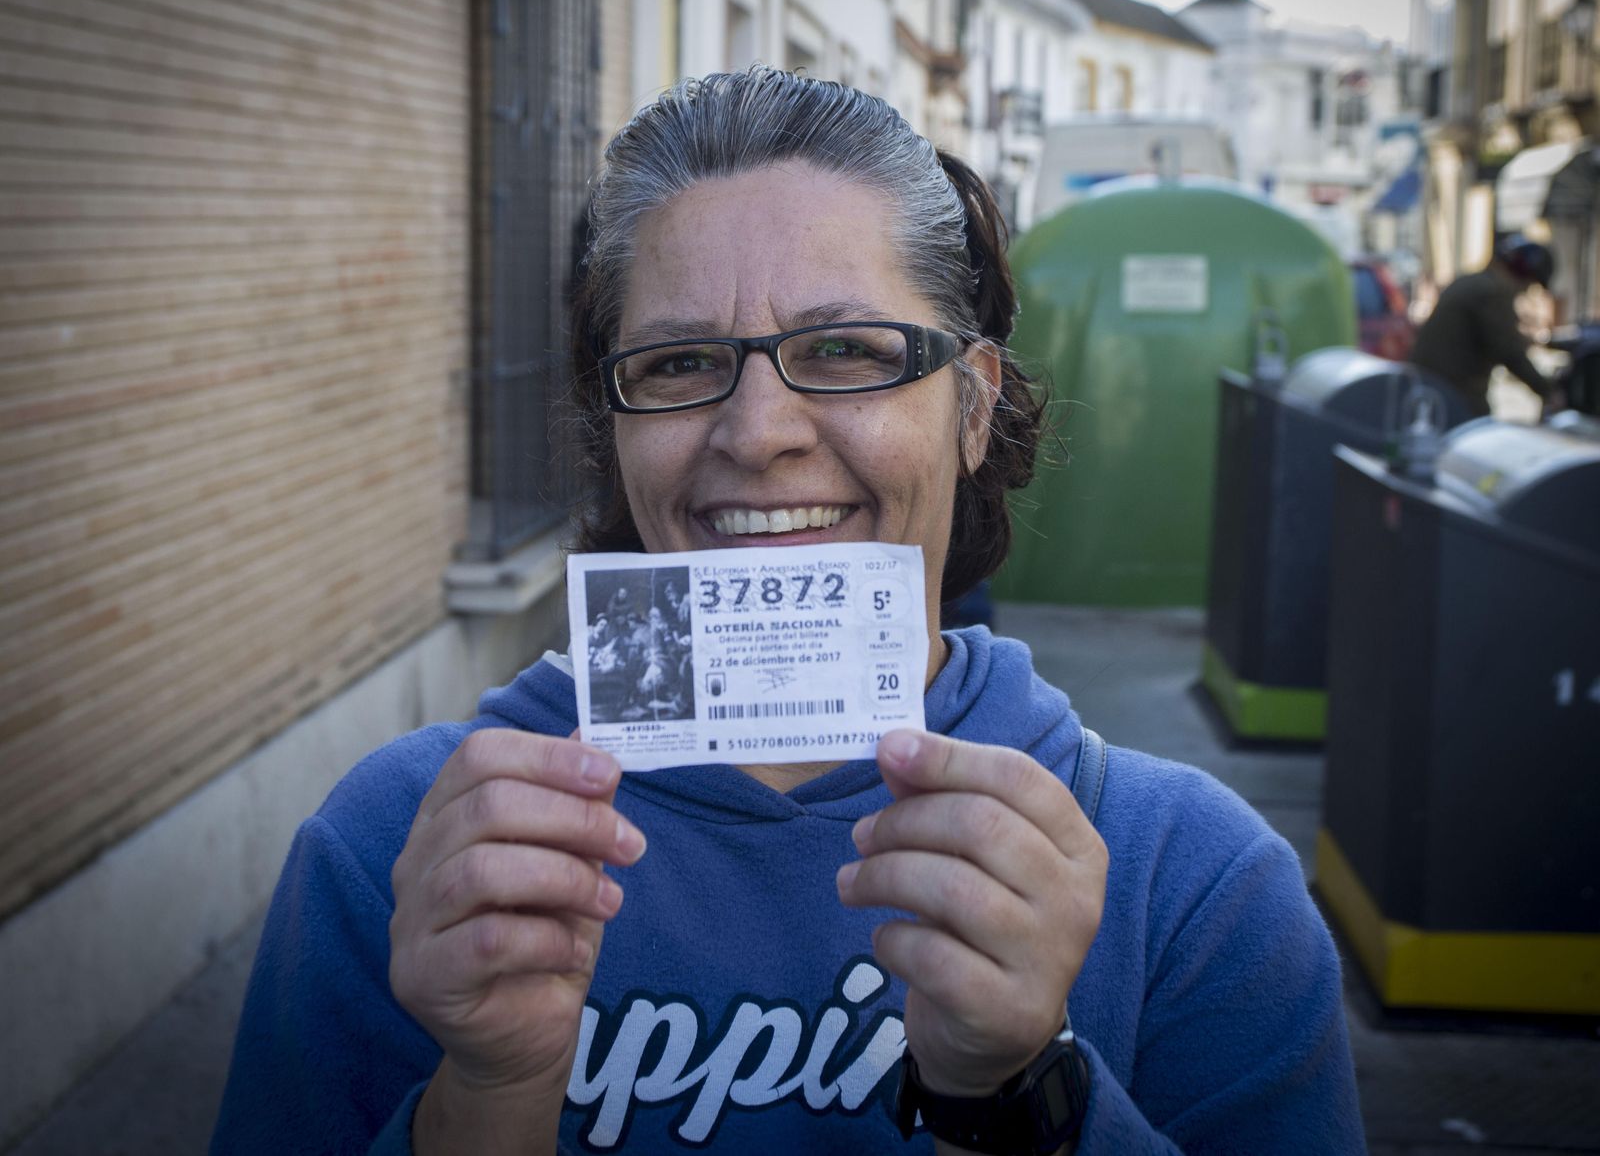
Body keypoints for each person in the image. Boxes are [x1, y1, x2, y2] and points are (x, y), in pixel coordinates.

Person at [210, 68, 1363, 1154]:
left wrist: (1020, 1094)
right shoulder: (403, 847)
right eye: (674, 364)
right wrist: (485, 1097)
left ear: (973, 406)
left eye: (846, 350)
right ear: (613, 420)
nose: (758, 433)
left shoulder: (1198, 886)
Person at [1409, 234, 1560, 417]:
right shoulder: (1492, 291)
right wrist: (1548, 391)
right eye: (1529, 285)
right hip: (1452, 395)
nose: (1524, 292)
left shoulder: (1473, 282)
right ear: (1523, 275)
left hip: (1431, 388)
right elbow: (1508, 350)